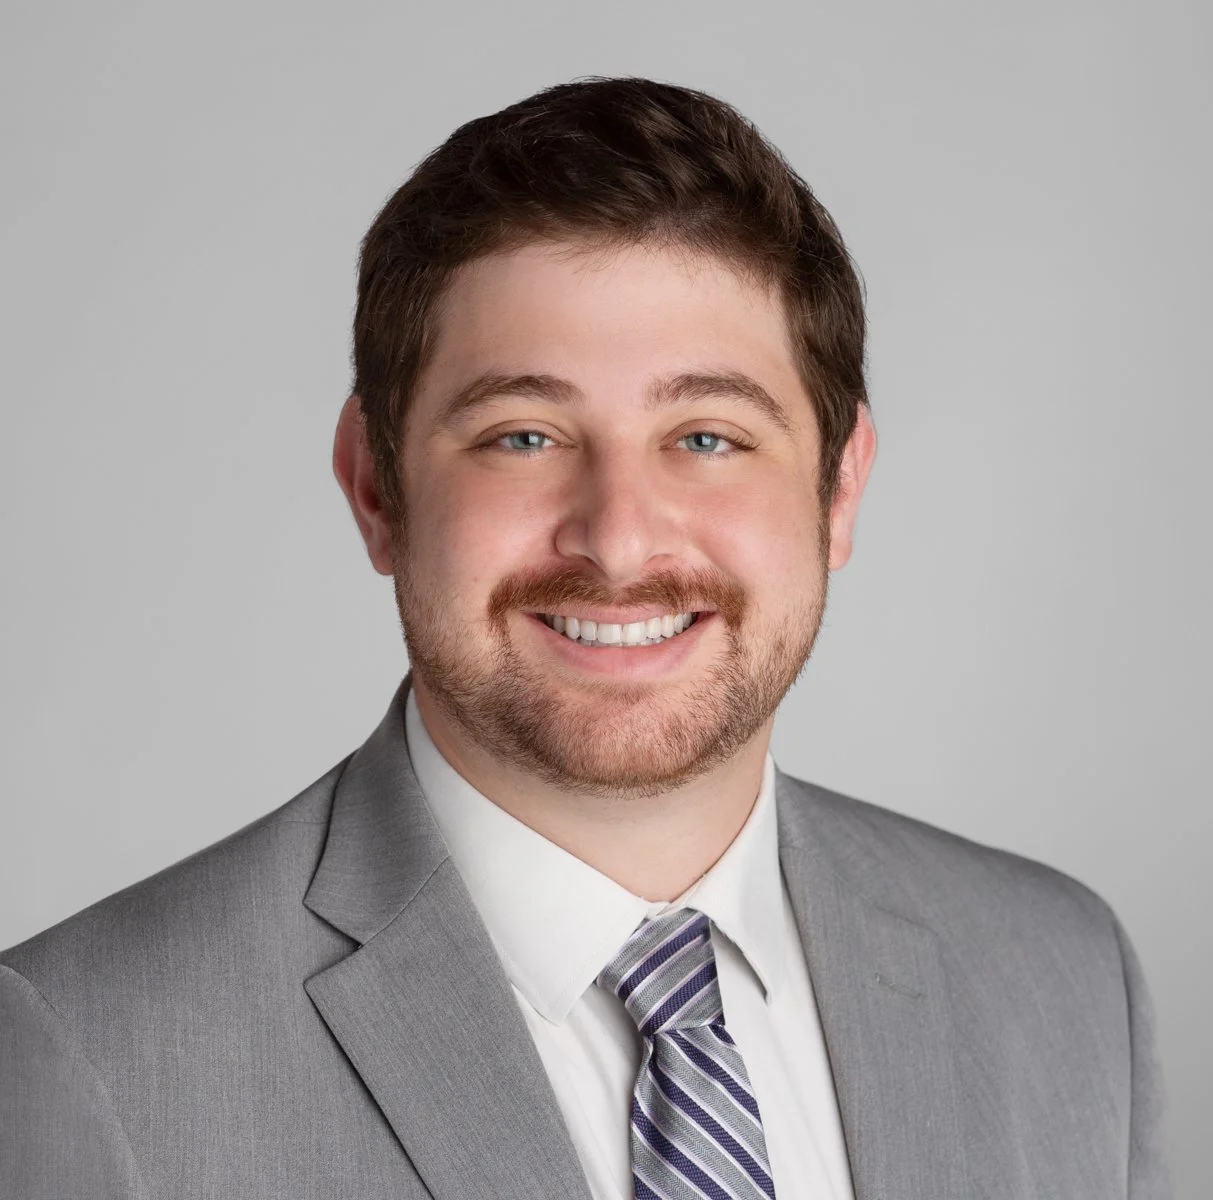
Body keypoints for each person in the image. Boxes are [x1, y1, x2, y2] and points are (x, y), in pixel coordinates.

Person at [0, 77, 1170, 1200]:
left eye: (707, 437)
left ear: (839, 489)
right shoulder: (86, 1055)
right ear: (375, 486)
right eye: (522, 435)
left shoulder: (1062, 981)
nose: (617, 541)